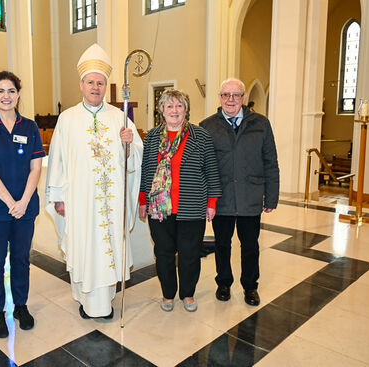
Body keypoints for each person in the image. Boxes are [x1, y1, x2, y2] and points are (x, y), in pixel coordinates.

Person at [45, 43, 143, 319]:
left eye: (100, 83)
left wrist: (128, 145)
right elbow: (58, 160)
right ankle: (85, 300)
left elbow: (135, 158)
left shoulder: (119, 117)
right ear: (81, 84)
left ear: (105, 86)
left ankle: (105, 301)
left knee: (108, 245)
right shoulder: (67, 119)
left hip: (112, 202)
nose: (96, 87)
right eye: (91, 82)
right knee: (85, 246)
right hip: (80, 200)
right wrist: (57, 197)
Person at [0, 71, 44, 338]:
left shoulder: (30, 127)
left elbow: (35, 168)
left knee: (21, 259)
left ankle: (20, 306)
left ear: (18, 94)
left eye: (11, 91)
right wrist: (10, 202)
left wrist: (23, 202)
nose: (6, 96)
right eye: (1, 91)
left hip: (24, 209)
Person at [139, 89, 221, 312]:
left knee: (190, 253)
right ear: (162, 111)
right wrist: (143, 200)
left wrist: (212, 202)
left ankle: (187, 294)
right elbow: (146, 170)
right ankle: (168, 294)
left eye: (179, 106)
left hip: (191, 206)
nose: (174, 111)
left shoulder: (200, 136)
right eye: (169, 106)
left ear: (186, 110)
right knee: (164, 253)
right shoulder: (152, 137)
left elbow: (211, 170)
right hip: (159, 208)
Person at [200, 78, 279, 306]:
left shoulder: (261, 124)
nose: (231, 99)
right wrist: (206, 199)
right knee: (222, 244)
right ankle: (223, 283)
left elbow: (270, 162)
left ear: (243, 98)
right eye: (226, 95)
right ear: (220, 97)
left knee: (250, 246)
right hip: (221, 197)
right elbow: (202, 167)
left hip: (250, 196)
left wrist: (271, 196)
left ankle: (250, 286)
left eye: (236, 95)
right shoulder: (207, 126)